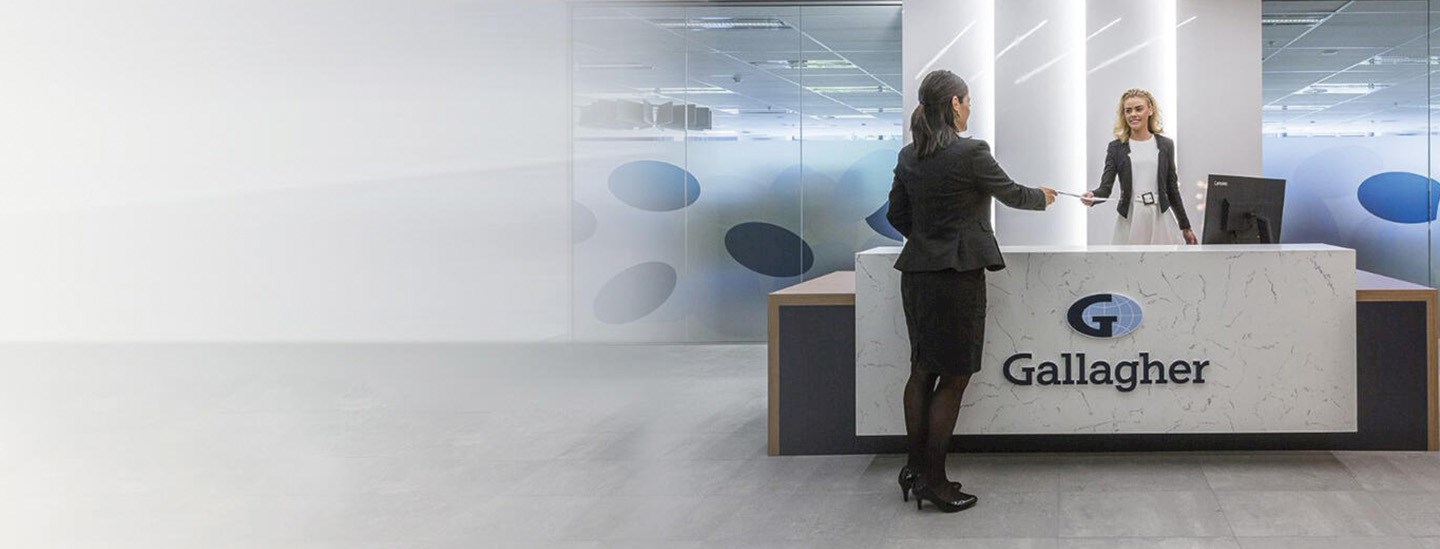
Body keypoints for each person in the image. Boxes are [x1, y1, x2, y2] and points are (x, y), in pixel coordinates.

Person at [886, 69, 1055, 513]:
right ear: (955, 104)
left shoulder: (909, 155)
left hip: (917, 274)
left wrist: (928, 239)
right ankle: (935, 482)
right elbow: (1012, 194)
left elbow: (895, 215)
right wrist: (1044, 196)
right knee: (955, 376)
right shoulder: (971, 151)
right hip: (956, 278)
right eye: (968, 101)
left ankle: (914, 469)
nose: (970, 109)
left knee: (922, 370)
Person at [1082, 88, 1197, 245]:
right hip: (1130, 218)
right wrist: (1093, 196)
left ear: (1150, 110)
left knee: (1164, 260)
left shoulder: (1166, 145)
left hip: (1160, 218)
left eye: (1138, 109)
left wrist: (1185, 226)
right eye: (1128, 110)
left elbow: (1172, 189)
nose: (1133, 114)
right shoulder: (1116, 148)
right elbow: (1105, 188)